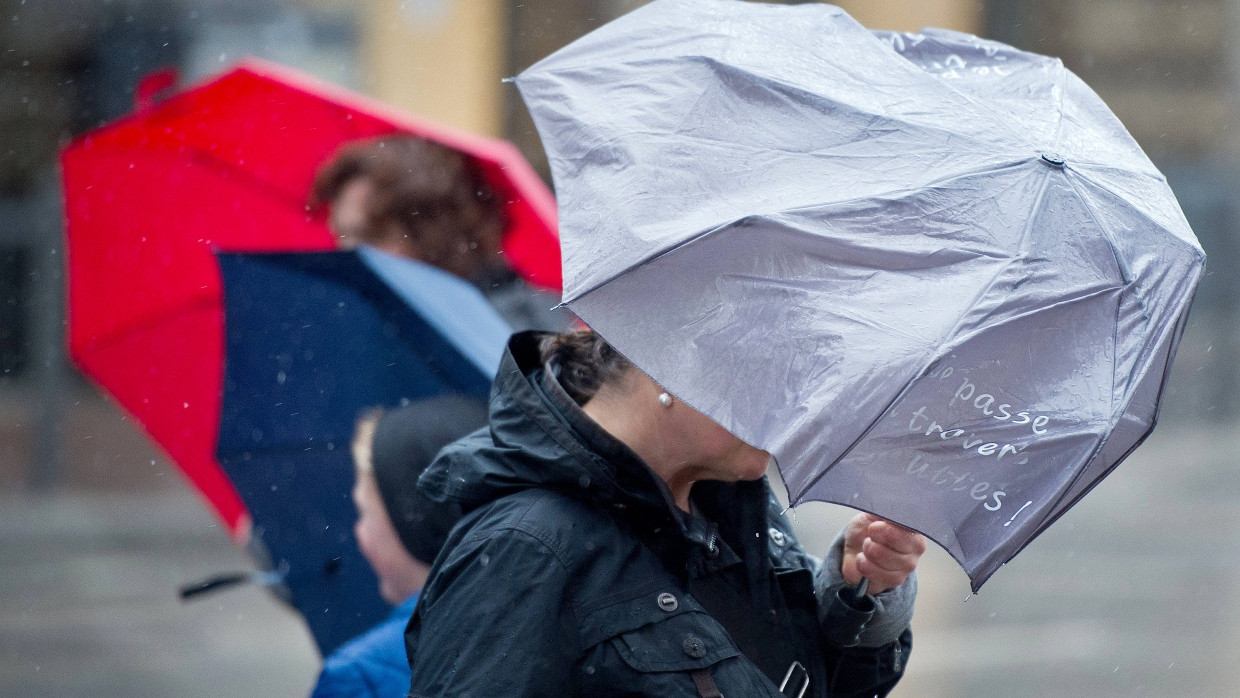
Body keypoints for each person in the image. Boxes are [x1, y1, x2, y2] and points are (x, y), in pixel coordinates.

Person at [406, 330, 927, 697]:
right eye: (774, 375)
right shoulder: (526, 550)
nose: (798, 406)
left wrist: (858, 596)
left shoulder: (726, 506)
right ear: (671, 353)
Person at [309, 395, 487, 698]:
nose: (357, 530)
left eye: (364, 512)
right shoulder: (543, 630)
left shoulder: (359, 676)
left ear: (412, 522)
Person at [310, 135, 568, 333]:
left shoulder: (522, 338)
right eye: (341, 237)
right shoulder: (369, 325)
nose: (348, 255)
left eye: (371, 237)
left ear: (434, 236)